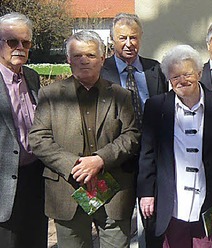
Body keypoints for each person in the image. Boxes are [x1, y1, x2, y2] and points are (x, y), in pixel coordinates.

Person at [29, 30, 140, 248]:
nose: (84, 60)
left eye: (90, 55)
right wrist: (74, 165)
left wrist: (100, 159)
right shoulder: (50, 95)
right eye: (77, 55)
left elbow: (132, 134)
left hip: (112, 190)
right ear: (68, 60)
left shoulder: (121, 95)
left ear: (102, 58)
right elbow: (38, 138)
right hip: (68, 189)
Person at [137, 44, 212, 247]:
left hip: (209, 199)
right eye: (175, 77)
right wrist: (146, 192)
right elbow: (147, 154)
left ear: (199, 73)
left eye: (187, 74)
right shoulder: (156, 107)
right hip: (172, 201)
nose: (182, 80)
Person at [99, 12, 168, 248]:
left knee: (154, 222)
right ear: (112, 40)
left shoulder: (154, 69)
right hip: (117, 160)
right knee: (117, 226)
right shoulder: (101, 70)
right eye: (123, 38)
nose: (129, 43)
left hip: (152, 158)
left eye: (134, 37)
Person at [0, 12, 47, 248]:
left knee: (35, 239)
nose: (20, 47)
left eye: (25, 42)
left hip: (35, 176)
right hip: (3, 181)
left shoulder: (32, 77)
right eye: (12, 41)